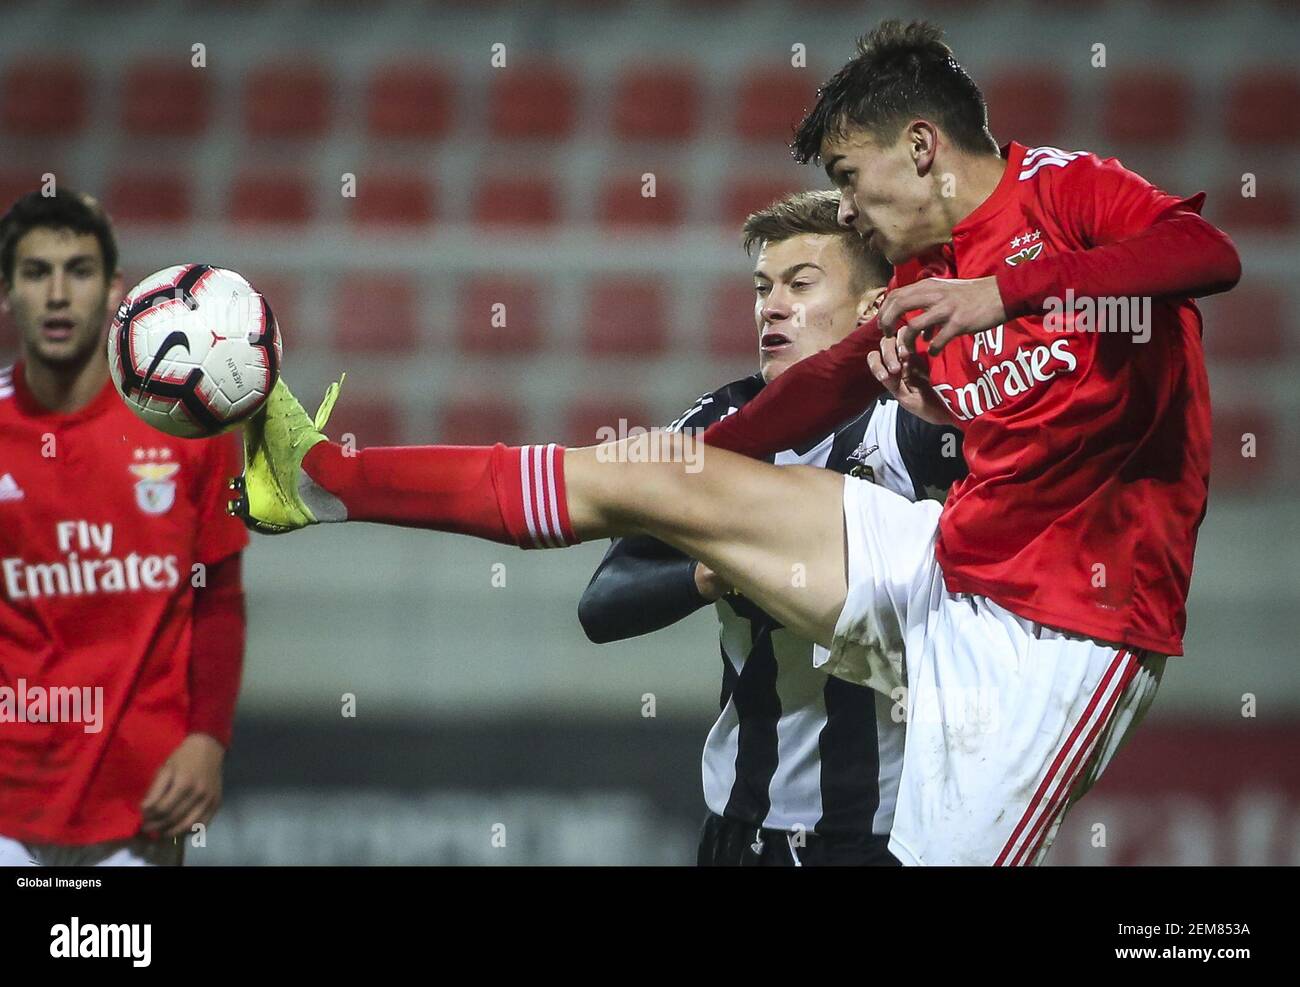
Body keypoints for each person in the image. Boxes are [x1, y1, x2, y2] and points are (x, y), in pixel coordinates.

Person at [229, 19, 1239, 865]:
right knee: (645, 475)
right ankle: (323, 481)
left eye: (849, 174)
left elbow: (1206, 253)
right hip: (944, 570)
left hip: (1060, 639)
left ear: (921, 147)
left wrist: (1000, 296)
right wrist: (689, 475)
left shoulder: (1063, 197)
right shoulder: (919, 282)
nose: (843, 206)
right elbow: (777, 421)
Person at [578, 190, 964, 866]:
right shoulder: (721, 427)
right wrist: (711, 572)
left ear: (874, 306)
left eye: (800, 283)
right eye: (763, 287)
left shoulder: (910, 418)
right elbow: (603, 602)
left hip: (896, 838)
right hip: (745, 833)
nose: (772, 306)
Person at [0, 190, 248, 866]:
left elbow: (218, 595)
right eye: (34, 272)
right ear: (7, 291)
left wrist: (208, 739)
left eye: (78, 271)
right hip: (9, 805)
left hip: (141, 807)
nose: (57, 293)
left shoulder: (186, 424)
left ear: (113, 290)